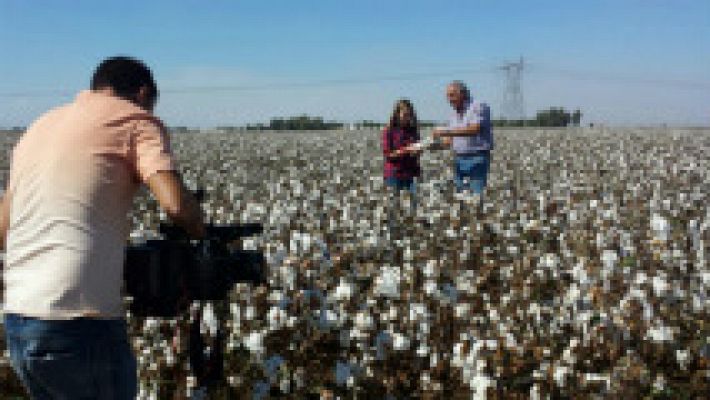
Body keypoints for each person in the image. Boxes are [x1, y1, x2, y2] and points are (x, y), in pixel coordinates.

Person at [0, 56, 205, 399]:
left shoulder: (40, 126)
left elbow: (2, 229)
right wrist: (201, 231)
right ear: (142, 94)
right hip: (79, 323)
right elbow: (176, 205)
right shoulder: (136, 121)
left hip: (20, 322)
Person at [432, 81, 493, 196]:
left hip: (477, 158)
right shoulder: (454, 114)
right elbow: (450, 140)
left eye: (452, 95)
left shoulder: (478, 106)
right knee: (460, 195)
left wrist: (445, 131)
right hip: (459, 159)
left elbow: (474, 129)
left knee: (476, 195)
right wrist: (432, 146)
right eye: (448, 96)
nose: (449, 100)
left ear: (463, 94)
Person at [381, 99, 422, 212]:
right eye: (405, 114)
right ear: (397, 114)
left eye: (409, 114)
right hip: (394, 173)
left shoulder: (413, 131)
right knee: (394, 206)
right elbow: (388, 154)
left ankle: (410, 225)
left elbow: (417, 151)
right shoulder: (389, 131)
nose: (407, 117)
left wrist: (418, 151)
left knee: (413, 206)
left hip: (411, 172)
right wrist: (407, 150)